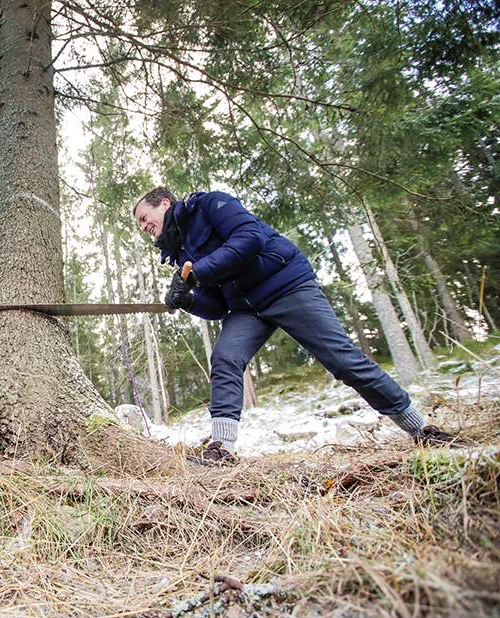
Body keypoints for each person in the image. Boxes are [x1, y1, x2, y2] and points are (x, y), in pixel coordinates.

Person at [133, 187, 460, 464]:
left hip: (287, 286)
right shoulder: (179, 252)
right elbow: (218, 306)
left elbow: (249, 239)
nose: (143, 226)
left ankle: (421, 429)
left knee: (343, 361)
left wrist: (198, 273)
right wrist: (188, 300)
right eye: (139, 224)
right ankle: (221, 450)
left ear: (165, 203)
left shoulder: (210, 205)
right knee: (225, 357)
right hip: (246, 309)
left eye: (145, 217)